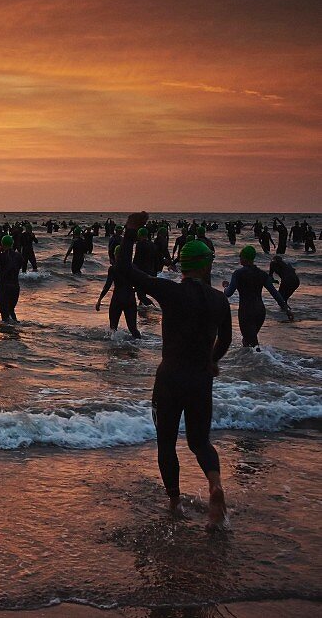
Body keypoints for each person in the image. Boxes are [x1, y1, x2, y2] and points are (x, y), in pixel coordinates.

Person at [115, 211, 231, 529]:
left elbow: (124, 269)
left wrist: (130, 232)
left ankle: (175, 503)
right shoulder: (220, 301)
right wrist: (213, 361)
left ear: (183, 267)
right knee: (200, 442)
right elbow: (227, 340)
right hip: (200, 379)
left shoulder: (171, 292)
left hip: (169, 378)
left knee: (166, 443)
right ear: (207, 265)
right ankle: (215, 484)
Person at [223, 246, 292, 349]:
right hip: (260, 312)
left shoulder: (238, 274)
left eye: (240, 256)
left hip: (246, 312)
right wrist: (286, 308)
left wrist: (225, 286)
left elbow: (228, 293)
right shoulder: (262, 274)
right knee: (248, 341)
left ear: (245, 258)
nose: (239, 258)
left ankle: (266, 361)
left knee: (253, 345)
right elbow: (274, 293)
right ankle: (253, 363)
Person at [95, 247, 140, 338]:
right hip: (130, 298)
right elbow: (140, 283)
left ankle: (114, 348)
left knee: (113, 328)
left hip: (117, 298)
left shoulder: (113, 269)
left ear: (116, 255)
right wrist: (136, 291)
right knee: (133, 328)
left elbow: (107, 285)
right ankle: (140, 346)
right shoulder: (133, 267)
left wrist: (99, 300)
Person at [0, 235, 24, 323]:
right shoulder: (19, 256)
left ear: (2, 244)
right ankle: (14, 331)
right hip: (15, 287)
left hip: (4, 287)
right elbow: (21, 266)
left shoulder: (1, 256)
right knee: (11, 310)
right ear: (12, 244)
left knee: (4, 313)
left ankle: (8, 332)